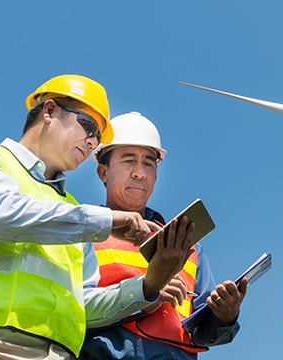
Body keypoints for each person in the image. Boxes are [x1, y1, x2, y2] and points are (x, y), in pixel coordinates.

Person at [0, 75, 192, 360]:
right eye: (88, 127)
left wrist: (147, 287)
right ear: (49, 111)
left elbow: (84, 304)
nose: (91, 143)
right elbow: (1, 216)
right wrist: (108, 221)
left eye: (97, 137)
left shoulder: (74, 211)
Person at [80, 112, 248, 360]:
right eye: (128, 161)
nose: (140, 173)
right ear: (103, 173)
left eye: (149, 163)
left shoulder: (188, 246)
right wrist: (148, 294)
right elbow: (70, 312)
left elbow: (201, 330)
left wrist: (225, 317)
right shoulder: (84, 232)